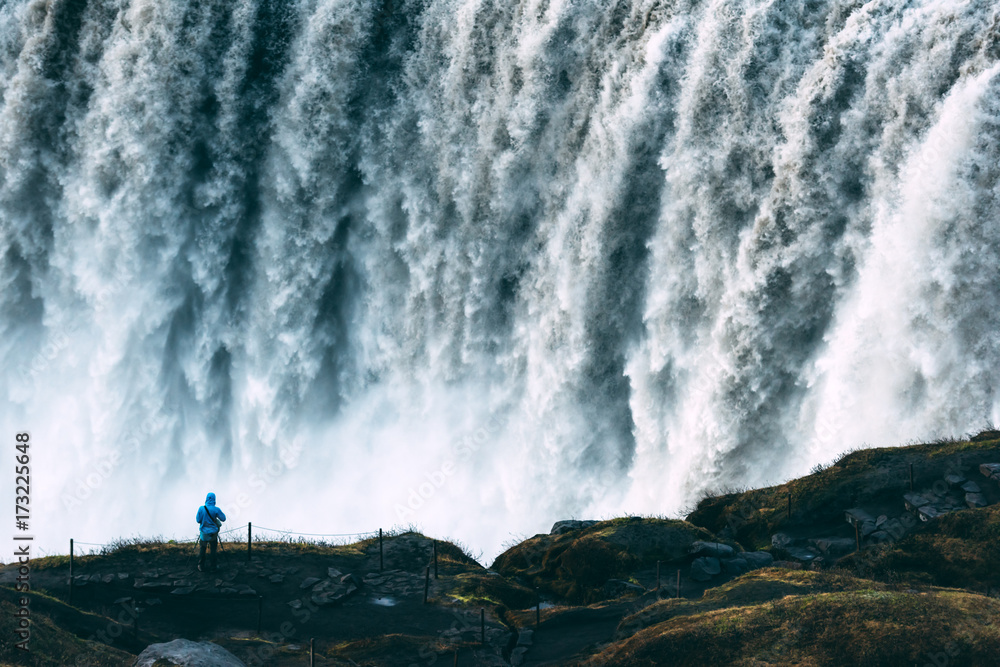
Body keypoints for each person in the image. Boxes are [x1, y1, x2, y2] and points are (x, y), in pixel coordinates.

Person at [196, 492, 226, 572]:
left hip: (204, 534)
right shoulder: (216, 509)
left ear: (206, 499)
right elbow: (223, 518)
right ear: (214, 500)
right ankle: (213, 567)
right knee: (213, 550)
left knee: (202, 549)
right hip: (213, 534)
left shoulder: (201, 508)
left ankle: (201, 566)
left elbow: (198, 520)